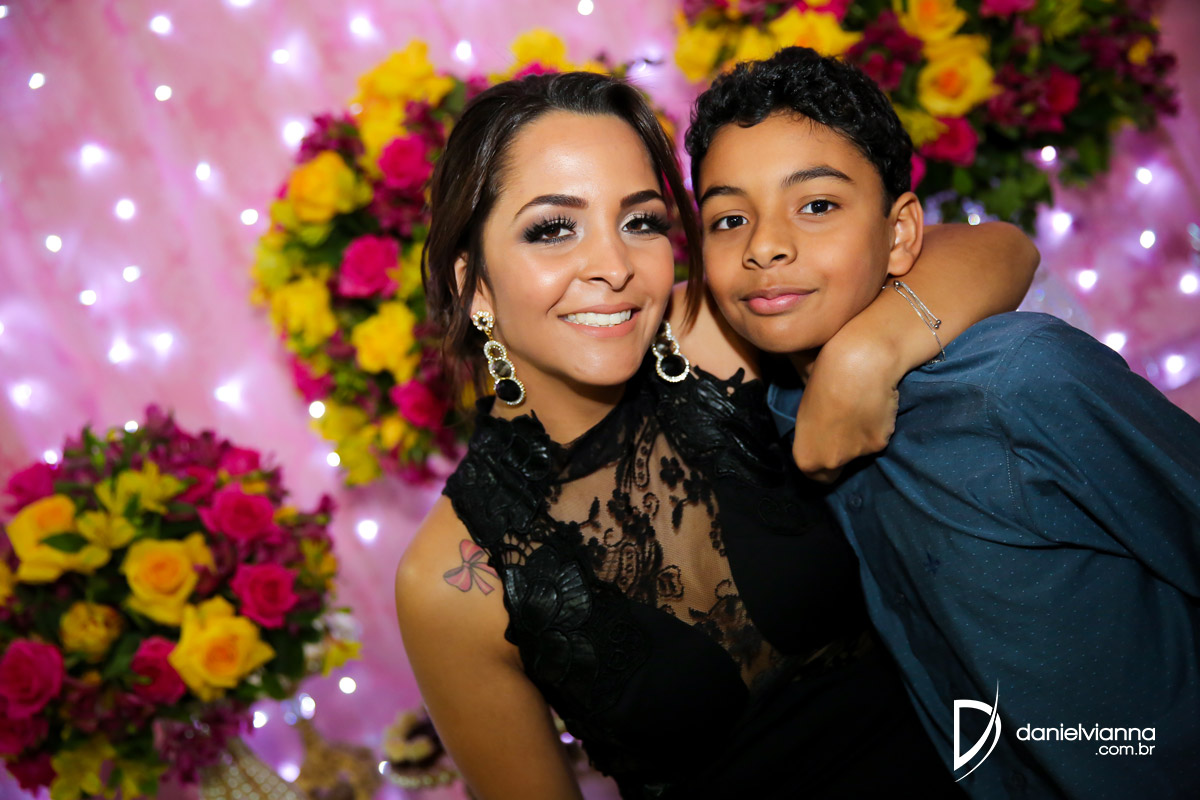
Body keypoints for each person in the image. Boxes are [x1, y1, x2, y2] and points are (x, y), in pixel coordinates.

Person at [394, 70, 1036, 799]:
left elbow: (1001, 251)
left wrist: (866, 356)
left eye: (640, 222)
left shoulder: (715, 335)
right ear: (474, 283)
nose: (614, 267)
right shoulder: (449, 581)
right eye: (553, 229)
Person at [688, 46, 1200, 800]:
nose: (765, 245)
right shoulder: (773, 416)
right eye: (729, 218)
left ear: (901, 234)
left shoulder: (1019, 379)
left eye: (817, 205)